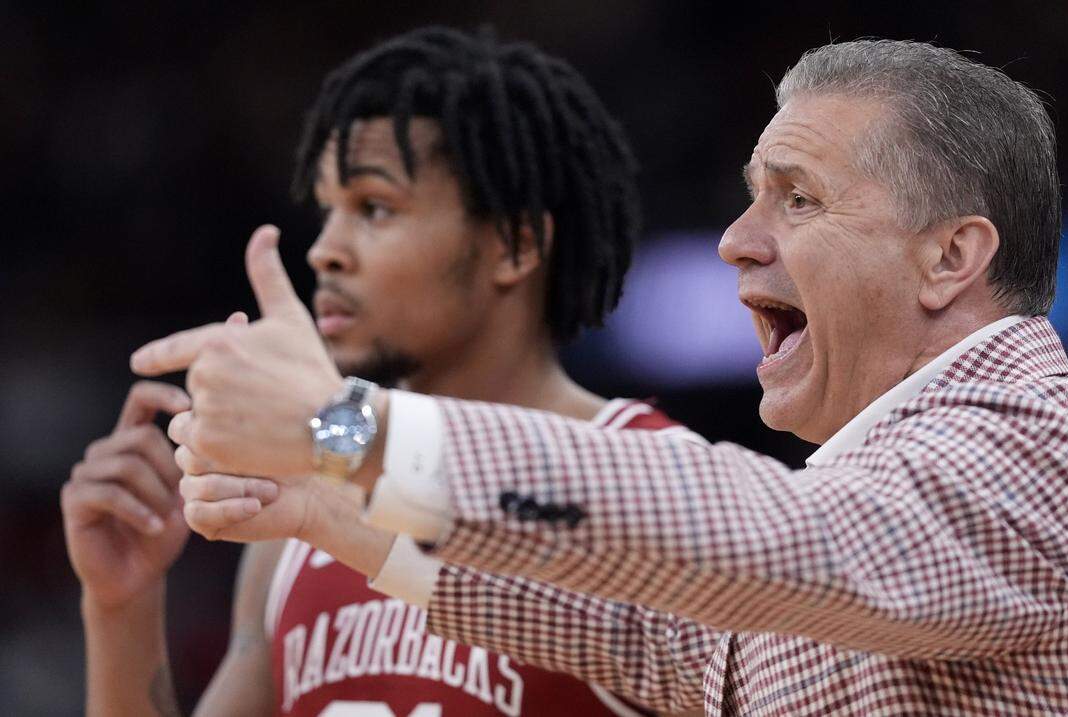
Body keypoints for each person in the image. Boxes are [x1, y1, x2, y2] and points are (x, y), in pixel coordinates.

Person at [132, 38, 1068, 715]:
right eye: (753, 199)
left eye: (798, 200)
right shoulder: (895, 502)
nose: (738, 242)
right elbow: (645, 628)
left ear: (950, 257)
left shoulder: (1043, 447)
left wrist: (345, 429)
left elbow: (764, 539)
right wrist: (326, 511)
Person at [62, 26, 715, 717]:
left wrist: (325, 428)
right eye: (327, 210)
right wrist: (121, 606)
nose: (324, 250)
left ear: (514, 245)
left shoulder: (648, 466)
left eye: (374, 207)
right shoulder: (299, 512)